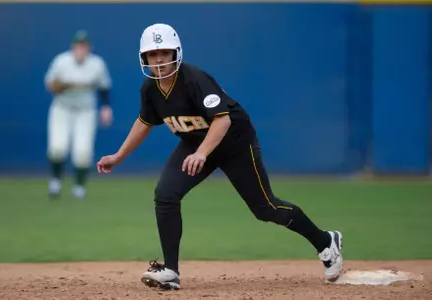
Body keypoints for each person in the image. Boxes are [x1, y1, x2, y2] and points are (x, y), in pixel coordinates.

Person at [96, 23, 343, 290]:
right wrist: (119, 155)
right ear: (144, 58)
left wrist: (202, 152)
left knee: (265, 209)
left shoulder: (194, 79)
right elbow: (145, 122)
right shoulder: (151, 89)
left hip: (233, 142)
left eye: (164, 53)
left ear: (175, 53)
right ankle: (170, 271)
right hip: (195, 144)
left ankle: (325, 241)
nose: (159, 60)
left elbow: (222, 121)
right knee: (166, 194)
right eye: (153, 54)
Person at [44, 30, 113, 199]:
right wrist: (62, 85)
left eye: (84, 46)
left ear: (89, 47)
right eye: (78, 45)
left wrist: (106, 108)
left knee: (83, 151)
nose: (81, 49)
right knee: (57, 148)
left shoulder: (96, 64)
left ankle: (79, 187)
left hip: (85, 111)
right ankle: (55, 182)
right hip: (62, 109)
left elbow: (104, 87)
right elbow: (50, 85)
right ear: (73, 47)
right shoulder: (61, 61)